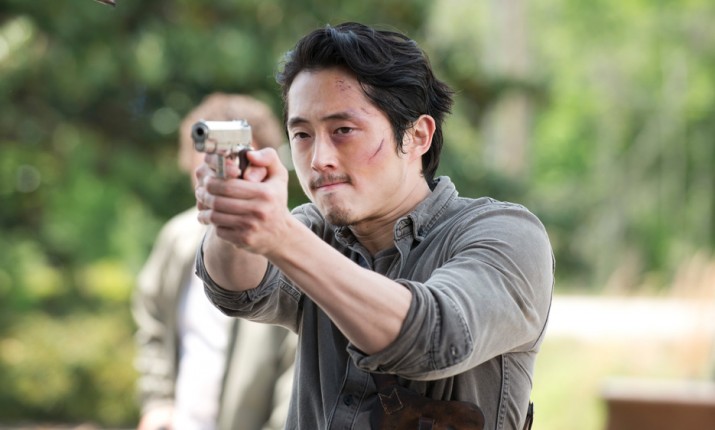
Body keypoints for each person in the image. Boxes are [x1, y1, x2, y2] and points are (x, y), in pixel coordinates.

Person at [194, 22, 554, 430]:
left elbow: (435, 338)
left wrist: (279, 236)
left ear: (417, 135)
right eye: (302, 134)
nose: (318, 159)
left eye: (343, 130)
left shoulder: (507, 234)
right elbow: (237, 291)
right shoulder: (313, 230)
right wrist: (232, 217)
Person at [133, 93, 297, 430]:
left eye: (234, 158)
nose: (219, 171)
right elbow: (152, 321)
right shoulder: (178, 238)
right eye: (206, 164)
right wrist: (158, 402)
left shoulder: (295, 244)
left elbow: (298, 374)